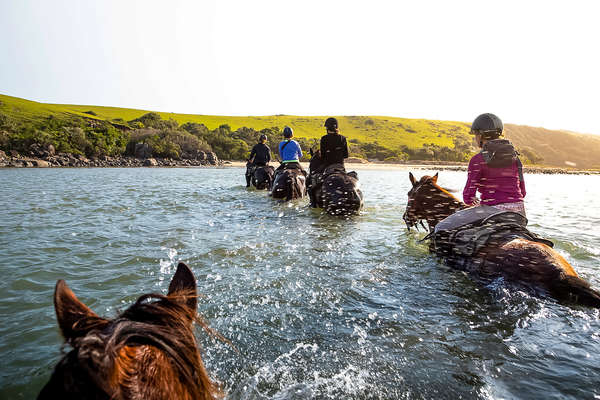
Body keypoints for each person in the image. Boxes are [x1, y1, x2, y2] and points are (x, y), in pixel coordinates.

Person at [463, 113, 526, 216]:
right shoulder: (515, 158)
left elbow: (468, 196)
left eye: (476, 135)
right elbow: (522, 192)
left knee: (443, 226)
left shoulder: (477, 160)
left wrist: (472, 200)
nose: (475, 138)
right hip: (519, 213)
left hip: (491, 213)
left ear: (481, 135)